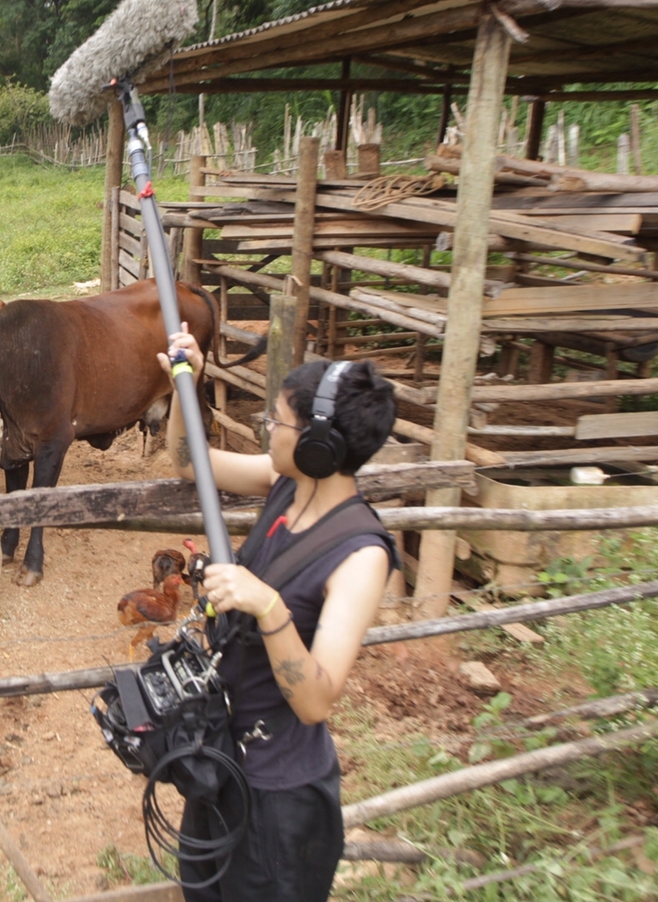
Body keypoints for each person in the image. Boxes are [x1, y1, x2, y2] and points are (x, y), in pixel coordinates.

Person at [156, 325, 399, 902]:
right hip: (221, 768)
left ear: (320, 444)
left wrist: (267, 604)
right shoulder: (285, 483)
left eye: (278, 422)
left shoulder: (361, 555)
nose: (268, 429)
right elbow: (191, 461)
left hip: (282, 799)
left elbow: (315, 699)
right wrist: (184, 383)